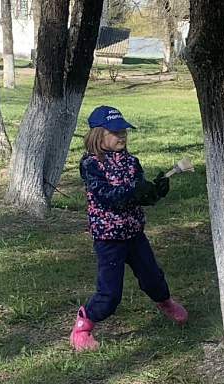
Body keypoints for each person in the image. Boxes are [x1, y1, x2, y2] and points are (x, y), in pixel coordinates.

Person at [70, 105, 188, 351]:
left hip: (134, 233)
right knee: (110, 294)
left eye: (124, 130)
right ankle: (84, 324)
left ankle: (165, 302)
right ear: (98, 134)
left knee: (153, 278)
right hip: (108, 238)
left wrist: (154, 191)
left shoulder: (131, 162)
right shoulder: (90, 164)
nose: (122, 135)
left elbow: (141, 193)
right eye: (115, 131)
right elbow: (105, 195)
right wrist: (132, 191)